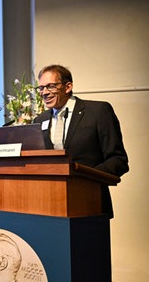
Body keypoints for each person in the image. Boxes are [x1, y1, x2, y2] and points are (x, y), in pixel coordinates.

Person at [33, 64, 129, 216]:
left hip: (90, 204)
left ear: (68, 86)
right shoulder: (40, 119)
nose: (44, 92)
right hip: (49, 206)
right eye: (41, 88)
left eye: (50, 86)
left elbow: (118, 160)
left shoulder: (98, 112)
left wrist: (85, 179)